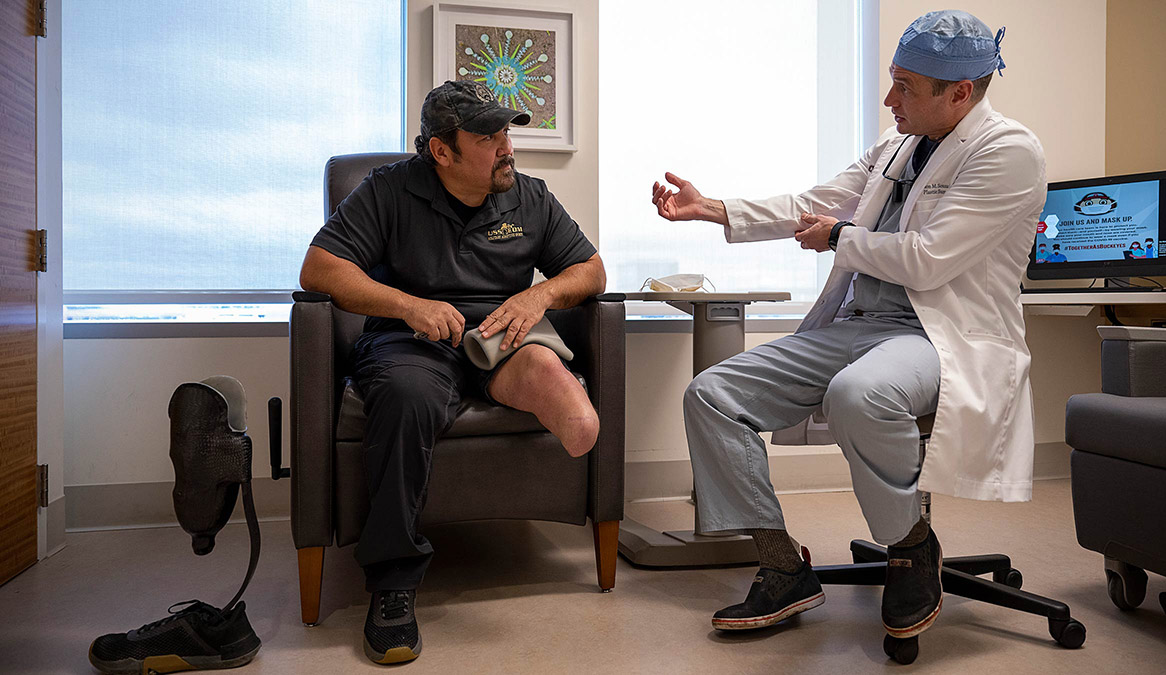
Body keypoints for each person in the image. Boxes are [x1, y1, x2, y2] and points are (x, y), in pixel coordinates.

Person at [650, 10, 1044, 641]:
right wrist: (713, 208)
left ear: (960, 93)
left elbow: (928, 258)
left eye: (905, 87)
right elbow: (816, 202)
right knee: (712, 393)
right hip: (859, 324)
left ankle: (910, 545)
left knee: (859, 394)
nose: (890, 100)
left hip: (938, 335)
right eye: (892, 80)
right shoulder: (898, 145)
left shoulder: (1009, 152)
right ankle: (783, 566)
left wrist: (839, 237)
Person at [299, 80, 606, 664]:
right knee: (407, 396)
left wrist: (538, 297)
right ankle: (393, 584)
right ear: (442, 150)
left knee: (575, 414)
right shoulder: (387, 189)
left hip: (499, 338)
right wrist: (408, 305)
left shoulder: (530, 196)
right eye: (488, 138)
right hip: (413, 340)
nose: (507, 147)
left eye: (506, 132)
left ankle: (539, 388)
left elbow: (590, 270)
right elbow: (320, 268)